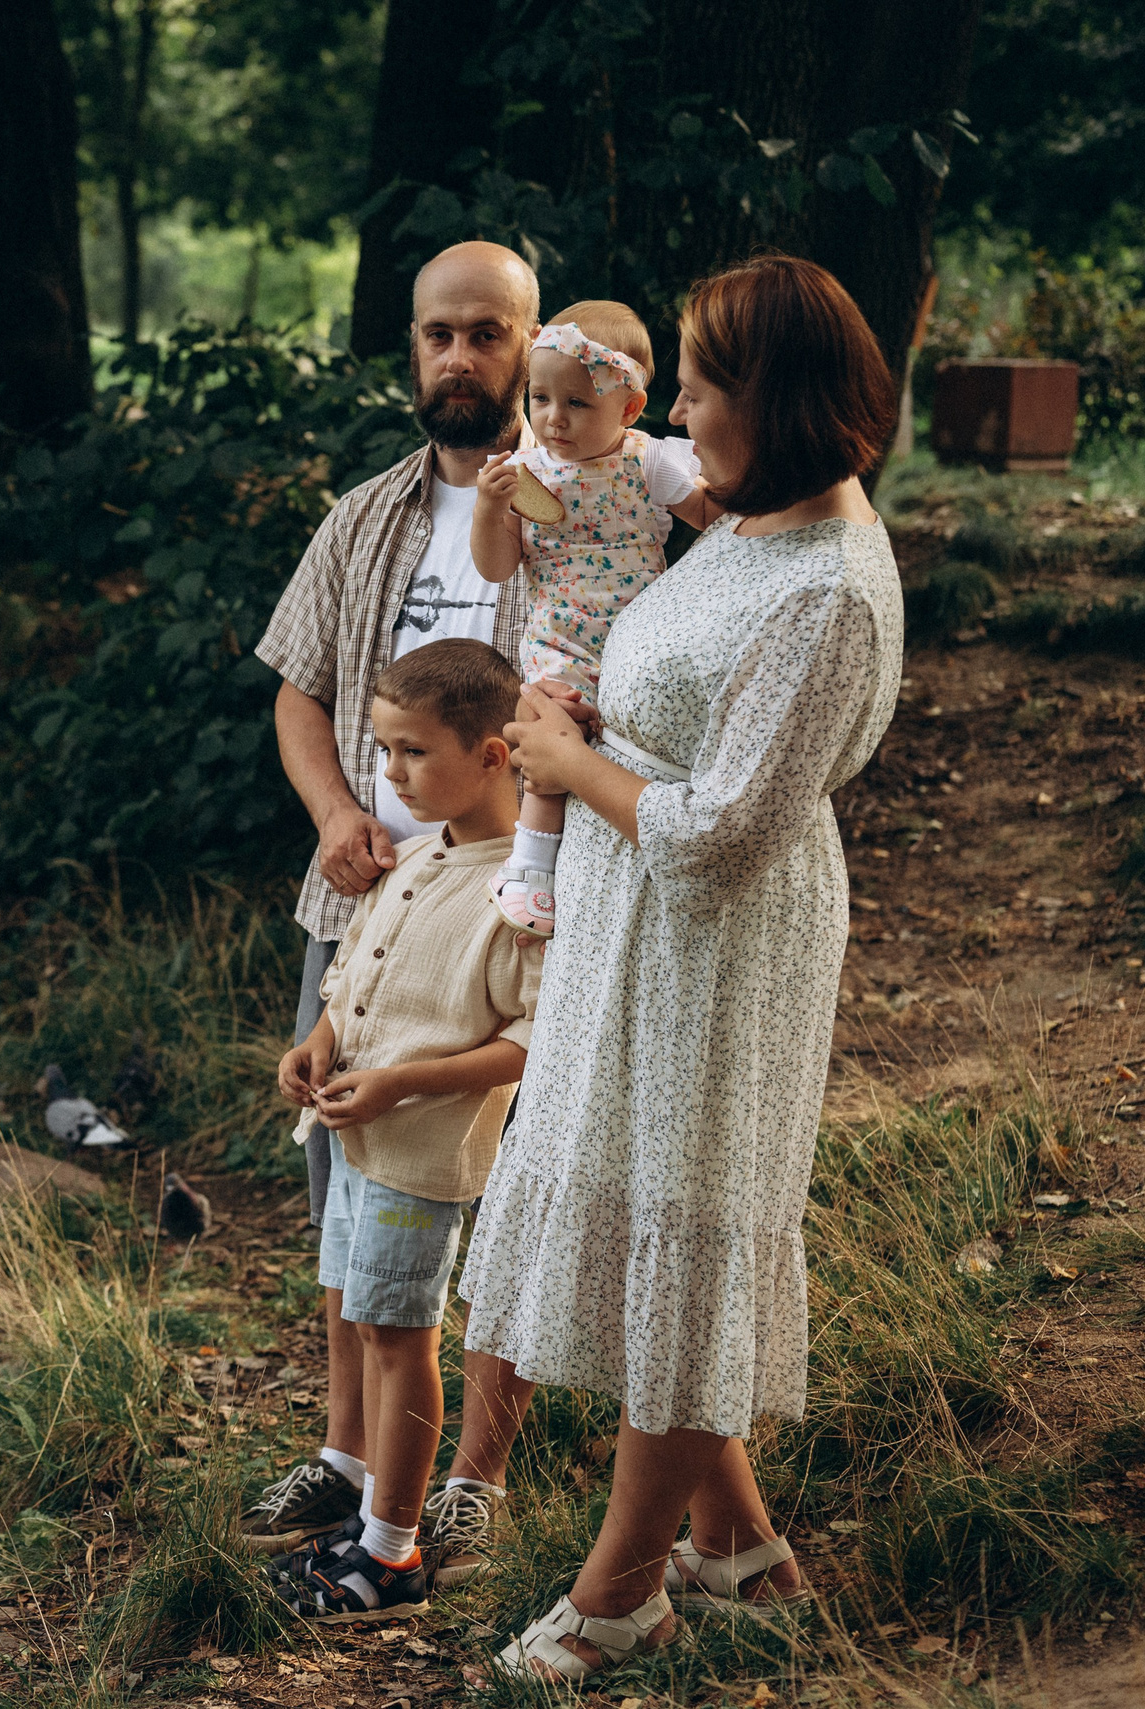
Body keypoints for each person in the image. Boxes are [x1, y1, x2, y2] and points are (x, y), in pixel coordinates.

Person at [457, 254, 905, 1684]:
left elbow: (721, 834)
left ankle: (618, 1594)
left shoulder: (830, 588)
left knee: (686, 1227)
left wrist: (569, 761)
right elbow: (681, 700)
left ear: (774, 397)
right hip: (636, 928)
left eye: (704, 387)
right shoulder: (757, 529)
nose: (682, 410)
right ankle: (737, 1546)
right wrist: (594, 705)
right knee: (658, 1212)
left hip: (718, 946)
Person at [244, 239, 539, 1575]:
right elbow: (299, 689)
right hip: (365, 900)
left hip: (516, 907)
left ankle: (466, 1476)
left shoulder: (584, 516)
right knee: (348, 1185)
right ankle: (350, 1455)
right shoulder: (365, 514)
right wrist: (336, 815)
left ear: (528, 346)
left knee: (514, 1192)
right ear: (410, 348)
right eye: (437, 335)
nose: (458, 357)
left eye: (486, 333)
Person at [265, 639, 544, 1625]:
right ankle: (374, 1510)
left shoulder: (519, 890)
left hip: (417, 1153)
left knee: (400, 1334)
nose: (389, 774)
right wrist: (320, 1039)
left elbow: (528, 1038)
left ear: (493, 755)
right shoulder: (416, 852)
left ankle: (389, 1551)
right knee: (362, 1316)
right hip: (353, 1139)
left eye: (412, 752)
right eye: (382, 750)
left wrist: (400, 1086)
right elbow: (353, 978)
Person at [468, 301, 722, 937]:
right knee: (548, 720)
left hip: (640, 630)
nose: (553, 419)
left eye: (577, 404)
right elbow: (499, 568)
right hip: (561, 633)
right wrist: (488, 513)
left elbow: (716, 526)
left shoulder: (648, 461)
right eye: (541, 398)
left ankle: (645, 855)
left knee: (637, 738)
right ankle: (530, 866)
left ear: (630, 408)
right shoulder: (526, 474)